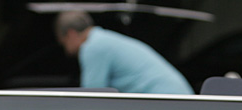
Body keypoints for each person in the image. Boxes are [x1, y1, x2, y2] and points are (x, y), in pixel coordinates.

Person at [54, 11, 193, 95]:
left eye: (63, 42)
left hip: (163, 105)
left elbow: (92, 96)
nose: (65, 49)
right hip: (178, 99)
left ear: (71, 34)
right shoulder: (105, 40)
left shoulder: (93, 47)